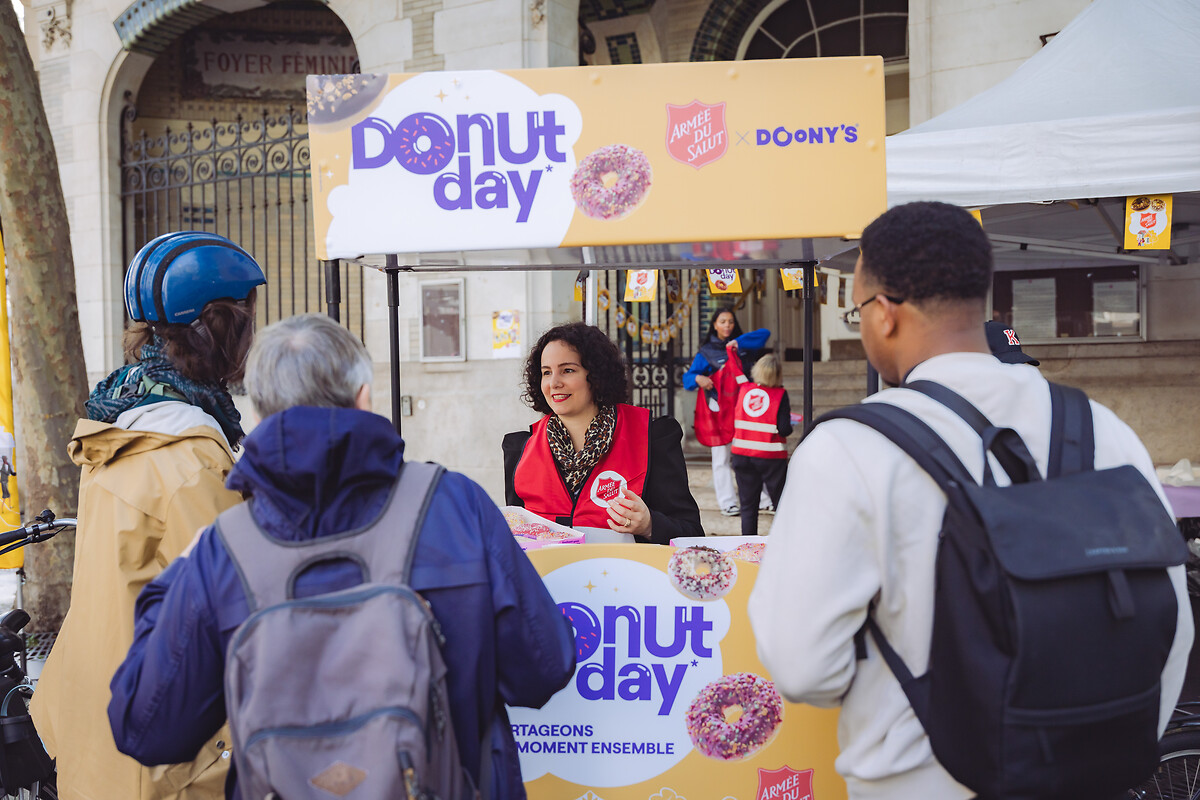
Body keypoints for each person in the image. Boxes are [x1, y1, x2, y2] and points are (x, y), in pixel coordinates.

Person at [747, 202, 1192, 799]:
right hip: (1090, 778)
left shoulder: (847, 447)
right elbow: (1171, 621)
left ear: (884, 314)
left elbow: (802, 667)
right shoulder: (1102, 428)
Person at [108, 313, 576, 800]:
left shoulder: (223, 549)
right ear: (363, 398)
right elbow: (546, 667)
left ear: (263, 410)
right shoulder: (455, 504)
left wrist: (169, 589)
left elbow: (147, 728)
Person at [30, 231, 264, 800]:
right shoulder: (189, 459)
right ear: (218, 325)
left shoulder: (122, 425)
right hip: (164, 761)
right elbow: (231, 626)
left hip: (98, 730)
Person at [503, 321, 703, 545]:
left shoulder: (651, 438)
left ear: (596, 375)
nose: (554, 383)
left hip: (627, 577)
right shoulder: (521, 448)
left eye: (568, 370)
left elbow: (692, 534)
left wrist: (650, 525)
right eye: (546, 372)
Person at [682, 307, 771, 516]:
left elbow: (765, 334)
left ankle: (764, 499)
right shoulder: (706, 352)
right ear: (714, 325)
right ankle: (727, 502)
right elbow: (687, 379)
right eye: (722, 321)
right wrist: (697, 378)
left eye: (730, 321)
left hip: (745, 408)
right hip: (720, 410)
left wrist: (738, 343)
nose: (727, 326)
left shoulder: (744, 344)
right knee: (721, 456)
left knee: (753, 452)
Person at [725, 347, 792, 537]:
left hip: (742, 454)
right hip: (770, 456)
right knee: (780, 504)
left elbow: (736, 371)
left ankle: (749, 547)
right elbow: (784, 428)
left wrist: (731, 350)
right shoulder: (780, 395)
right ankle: (783, 542)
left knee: (748, 507)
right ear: (777, 374)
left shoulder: (744, 388)